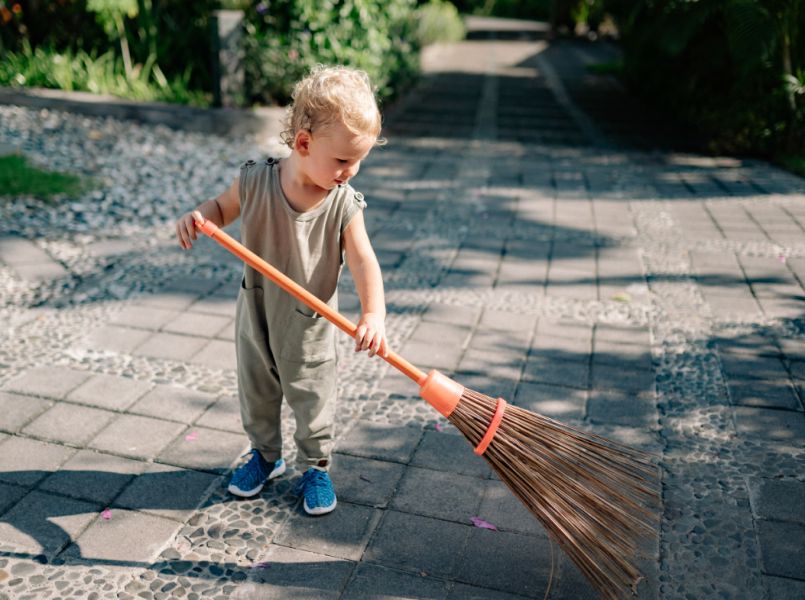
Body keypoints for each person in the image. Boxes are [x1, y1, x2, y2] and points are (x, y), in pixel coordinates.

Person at [175, 65, 388, 515]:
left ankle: (315, 466)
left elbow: (365, 260)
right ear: (305, 143)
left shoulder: (342, 204)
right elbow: (220, 208)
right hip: (256, 314)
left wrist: (373, 315)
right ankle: (265, 455)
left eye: (359, 161)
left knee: (312, 397)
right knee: (257, 391)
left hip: (309, 326)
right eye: (343, 160)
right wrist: (198, 215)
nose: (351, 172)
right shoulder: (254, 180)